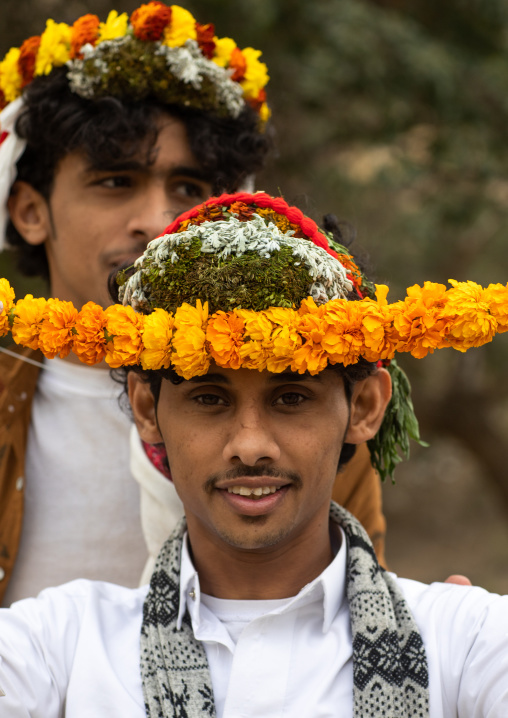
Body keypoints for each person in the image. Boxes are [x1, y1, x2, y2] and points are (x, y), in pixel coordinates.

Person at [0, 192, 506, 716]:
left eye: (291, 398)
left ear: (364, 406)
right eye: (208, 398)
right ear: (147, 408)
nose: (249, 446)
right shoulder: (59, 647)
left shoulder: (465, 644)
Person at [0, 5, 386, 604]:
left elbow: (349, 616)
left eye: (188, 189)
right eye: (115, 182)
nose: (157, 221)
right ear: (29, 210)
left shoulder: (313, 402)